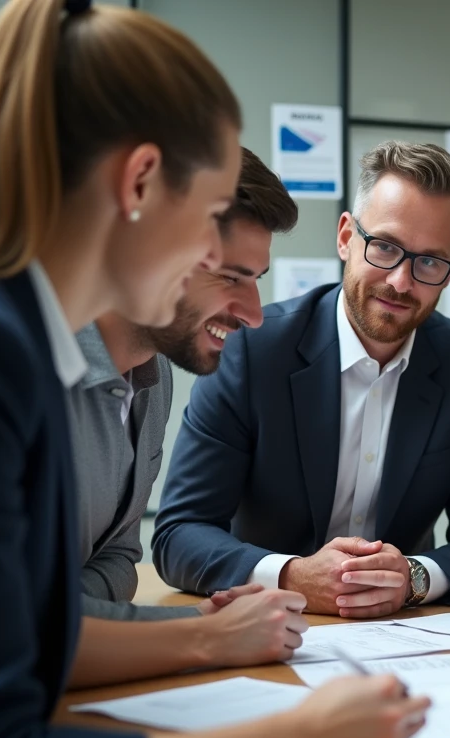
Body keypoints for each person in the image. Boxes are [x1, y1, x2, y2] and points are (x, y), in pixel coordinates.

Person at [0, 2, 427, 738]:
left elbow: (34, 637)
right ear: (140, 181)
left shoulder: (13, 338)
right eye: (212, 216)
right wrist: (302, 737)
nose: (212, 255)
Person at [153, 141, 450, 618]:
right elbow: (179, 532)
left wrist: (414, 577)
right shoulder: (253, 349)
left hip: (405, 635)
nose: (401, 282)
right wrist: (290, 574)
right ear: (347, 236)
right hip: (266, 626)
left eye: (429, 262)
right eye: (385, 247)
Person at [76, 146, 296, 627]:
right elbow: (2, 624)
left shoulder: (154, 378)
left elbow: (118, 561)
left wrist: (67, 607)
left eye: (256, 278)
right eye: (230, 276)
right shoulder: (19, 364)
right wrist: (206, 632)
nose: (255, 314)